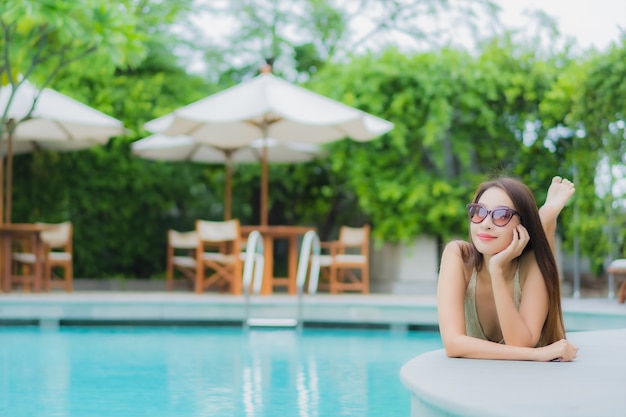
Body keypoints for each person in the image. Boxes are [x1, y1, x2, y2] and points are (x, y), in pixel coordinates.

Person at [437, 176, 579, 361]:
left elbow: (520, 343)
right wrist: (536, 354)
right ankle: (544, 219)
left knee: (542, 256)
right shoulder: (458, 256)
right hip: (478, 381)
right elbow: (453, 344)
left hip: (526, 383)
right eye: (479, 212)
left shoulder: (531, 266)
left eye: (501, 215)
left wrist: (496, 270)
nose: (485, 224)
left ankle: (546, 221)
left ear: (523, 227)